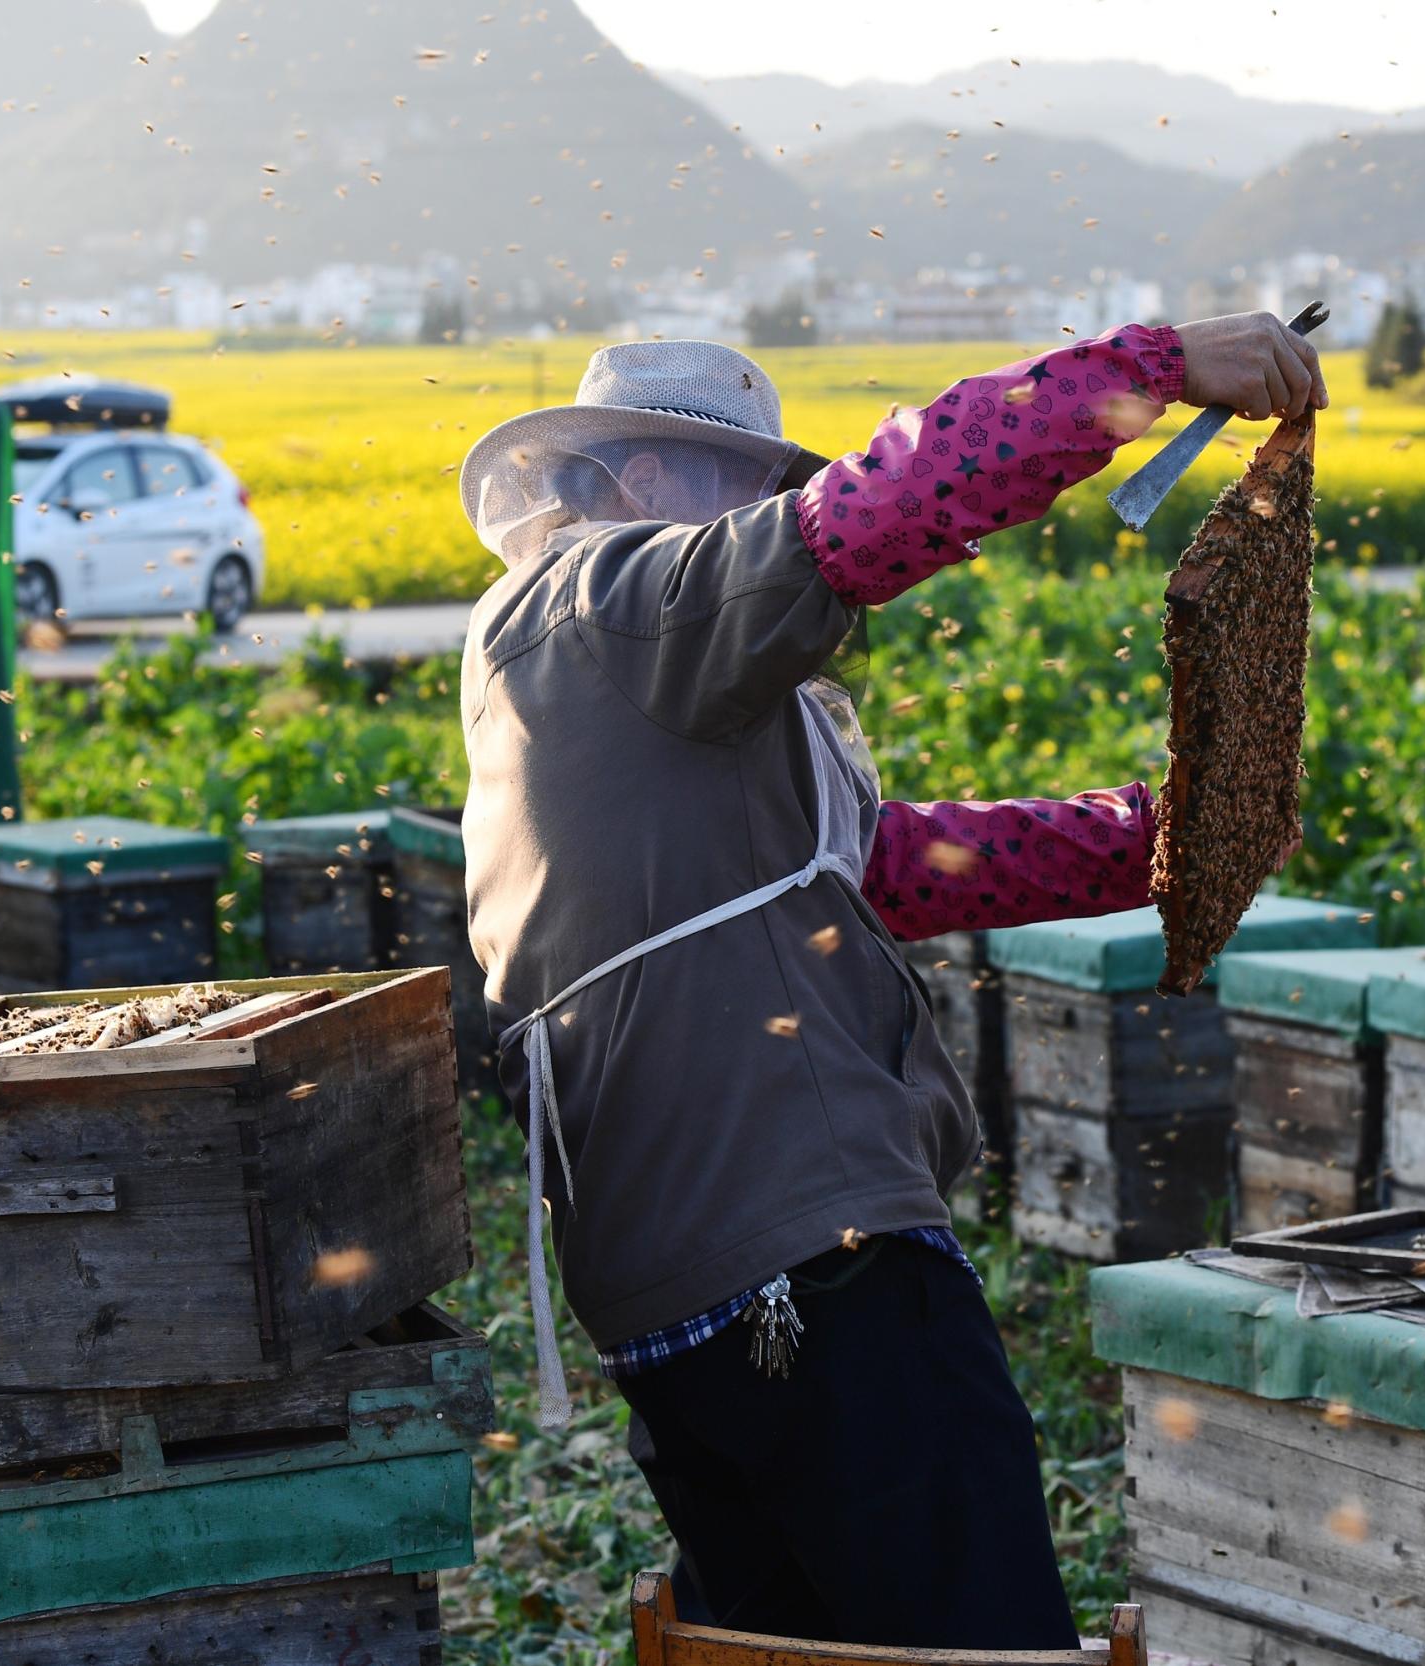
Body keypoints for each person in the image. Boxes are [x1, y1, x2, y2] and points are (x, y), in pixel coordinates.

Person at [454, 314, 1324, 1645]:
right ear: (634, 484)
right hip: (806, 1252)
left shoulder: (598, 671)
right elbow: (880, 509)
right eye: (738, 479)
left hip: (680, 1276)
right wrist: (1151, 367)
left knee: (802, 1645)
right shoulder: (620, 604)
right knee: (982, 1638)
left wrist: (1158, 837)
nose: (768, 508)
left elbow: (882, 866)